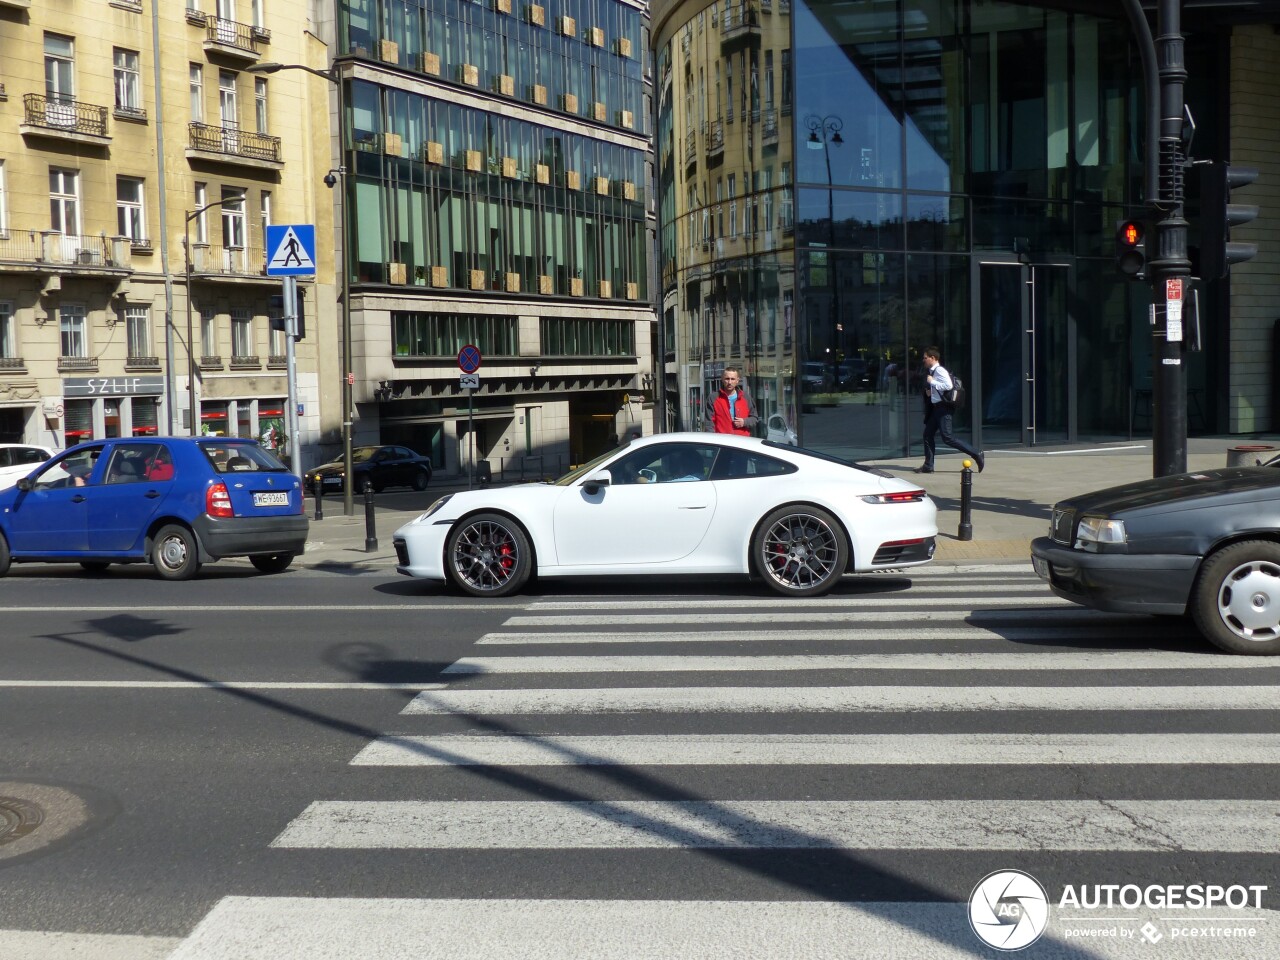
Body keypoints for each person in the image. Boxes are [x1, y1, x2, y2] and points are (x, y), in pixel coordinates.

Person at [916, 346, 984, 474]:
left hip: (944, 409)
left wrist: (933, 382)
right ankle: (928, 465)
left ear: (933, 358)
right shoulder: (932, 372)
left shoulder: (939, 370)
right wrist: (931, 393)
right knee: (927, 434)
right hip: (936, 409)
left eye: (925, 358)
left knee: (948, 437)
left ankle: (976, 453)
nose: (923, 360)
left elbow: (948, 385)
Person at [706, 366, 758, 435]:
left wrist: (744, 422)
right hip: (722, 442)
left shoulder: (746, 398)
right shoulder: (713, 398)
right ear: (722, 379)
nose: (729, 382)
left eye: (732, 379)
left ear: (737, 380)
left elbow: (754, 418)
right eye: (727, 379)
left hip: (742, 442)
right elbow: (709, 423)